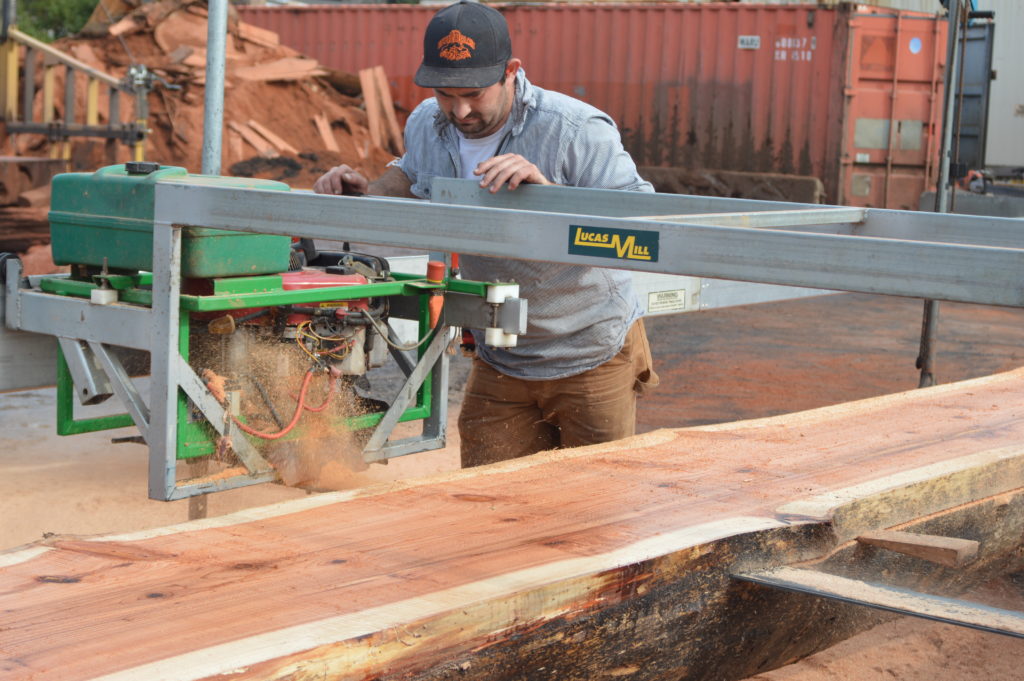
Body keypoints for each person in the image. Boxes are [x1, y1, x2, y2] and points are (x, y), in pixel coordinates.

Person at [314, 0, 657, 467]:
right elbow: (416, 178)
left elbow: (641, 221)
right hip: (503, 355)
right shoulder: (426, 123)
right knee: (488, 503)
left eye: (474, 93)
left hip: (590, 351)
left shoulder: (574, 130)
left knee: (593, 508)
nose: (460, 109)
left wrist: (548, 193)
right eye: (445, 94)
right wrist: (368, 191)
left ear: (511, 71)